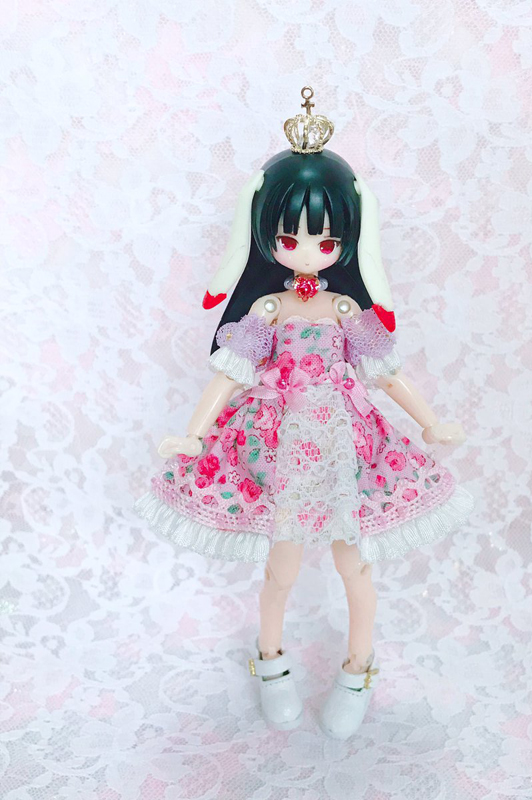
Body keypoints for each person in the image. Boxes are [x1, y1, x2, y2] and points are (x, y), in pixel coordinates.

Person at [134, 86, 475, 739]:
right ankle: (270, 661)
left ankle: (358, 667)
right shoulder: (267, 310)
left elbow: (386, 374)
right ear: (266, 237)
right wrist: (194, 433)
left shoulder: (348, 312)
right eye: (290, 236)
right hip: (281, 448)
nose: (309, 250)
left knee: (355, 562)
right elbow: (229, 376)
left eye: (326, 238)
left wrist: (430, 421)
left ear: (349, 238)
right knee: (282, 565)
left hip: (344, 445)